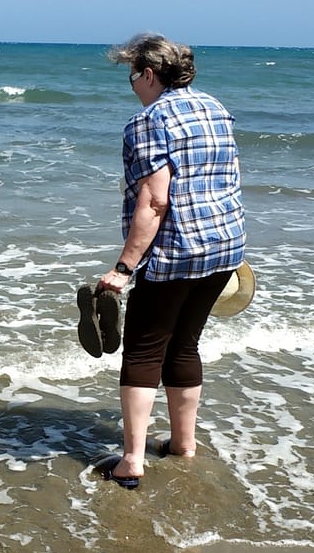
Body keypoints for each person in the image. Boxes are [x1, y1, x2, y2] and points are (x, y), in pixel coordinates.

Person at [94, 33, 245, 488]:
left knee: (143, 350)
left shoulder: (148, 121)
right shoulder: (214, 107)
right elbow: (228, 175)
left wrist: (122, 269)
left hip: (176, 251)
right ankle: (183, 444)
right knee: (184, 345)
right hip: (225, 244)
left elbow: (155, 201)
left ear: (149, 74)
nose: (131, 85)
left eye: (131, 75)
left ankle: (131, 461)